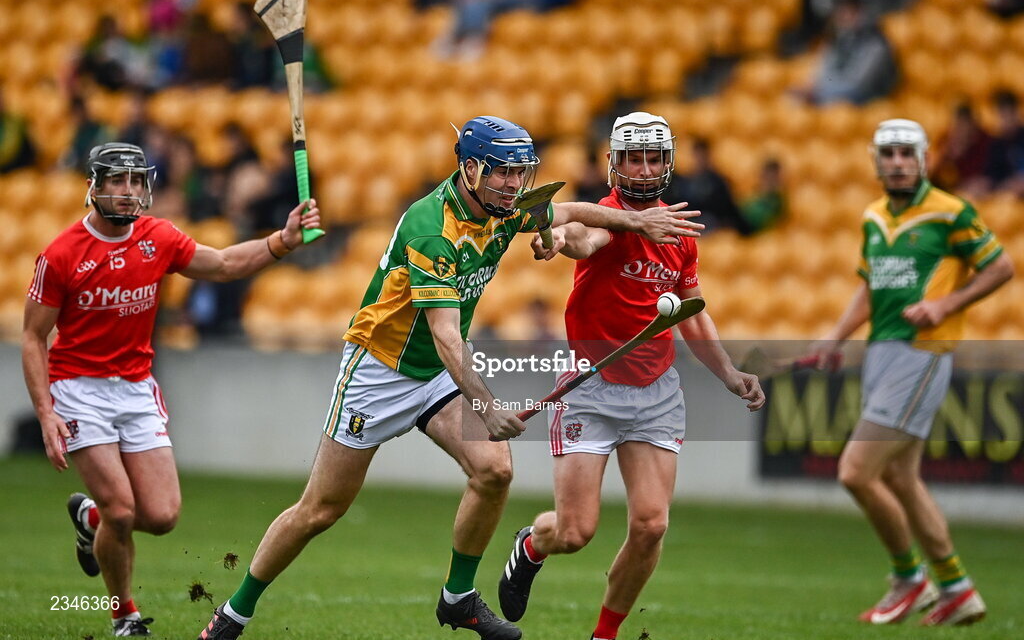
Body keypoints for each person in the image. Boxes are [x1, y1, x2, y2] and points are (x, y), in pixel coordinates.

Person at [195, 115, 703, 640]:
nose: (515, 184)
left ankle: (457, 599)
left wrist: (637, 223)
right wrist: (487, 406)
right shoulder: (431, 228)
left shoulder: (503, 206)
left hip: (438, 372)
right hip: (380, 370)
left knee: (494, 470)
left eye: (520, 172)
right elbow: (444, 334)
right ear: (471, 169)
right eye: (503, 172)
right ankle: (233, 614)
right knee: (320, 510)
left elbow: (572, 211)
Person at [22, 142, 321, 637]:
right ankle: (124, 614)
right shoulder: (61, 255)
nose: (128, 191)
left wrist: (282, 241)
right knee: (123, 510)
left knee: (161, 516)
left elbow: (222, 263)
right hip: (78, 389)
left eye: (136, 181)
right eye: (116, 181)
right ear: (93, 187)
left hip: (136, 387)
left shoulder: (156, 237)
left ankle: (90, 520)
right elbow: (33, 337)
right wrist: (45, 411)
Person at [496, 112, 766, 640]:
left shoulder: (679, 232)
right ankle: (531, 545)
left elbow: (692, 312)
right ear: (613, 163)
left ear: (668, 163)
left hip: (655, 392)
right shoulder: (609, 217)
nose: (643, 169)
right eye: (633, 158)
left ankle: (605, 635)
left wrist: (729, 373)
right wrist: (555, 240)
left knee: (651, 524)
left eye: (653, 158)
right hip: (589, 390)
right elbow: (581, 238)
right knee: (574, 532)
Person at [808, 119, 1013, 626]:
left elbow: (1001, 267)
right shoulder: (874, 216)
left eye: (906, 153)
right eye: (888, 153)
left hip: (922, 350)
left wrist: (946, 305)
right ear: (876, 162)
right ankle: (958, 589)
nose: (897, 162)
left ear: (923, 159)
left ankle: (909, 578)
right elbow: (870, 286)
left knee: (856, 471)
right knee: (900, 478)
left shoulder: (951, 211)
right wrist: (835, 337)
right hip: (882, 349)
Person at [790, 0, 897, 106]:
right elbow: (824, 73)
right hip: (833, 99)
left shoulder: (876, 44)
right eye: (842, 10)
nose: (844, 16)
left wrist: (818, 95)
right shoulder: (838, 38)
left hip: (865, 107)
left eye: (852, 11)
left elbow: (857, 86)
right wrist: (810, 89)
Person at [671, 138, 752, 235]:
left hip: (712, 225)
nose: (700, 160)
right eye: (697, 156)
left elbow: (728, 208)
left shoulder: (718, 181)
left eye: (702, 156)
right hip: (691, 222)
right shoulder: (684, 182)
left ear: (708, 156)